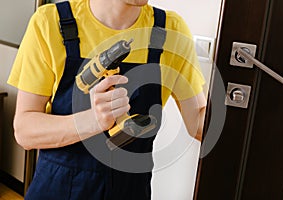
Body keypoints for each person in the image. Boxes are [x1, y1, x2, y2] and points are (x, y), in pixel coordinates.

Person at [7, 0, 207, 199]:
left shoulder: (171, 30)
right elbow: (25, 132)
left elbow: (197, 123)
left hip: (130, 190)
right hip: (56, 189)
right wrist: (94, 121)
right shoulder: (50, 22)